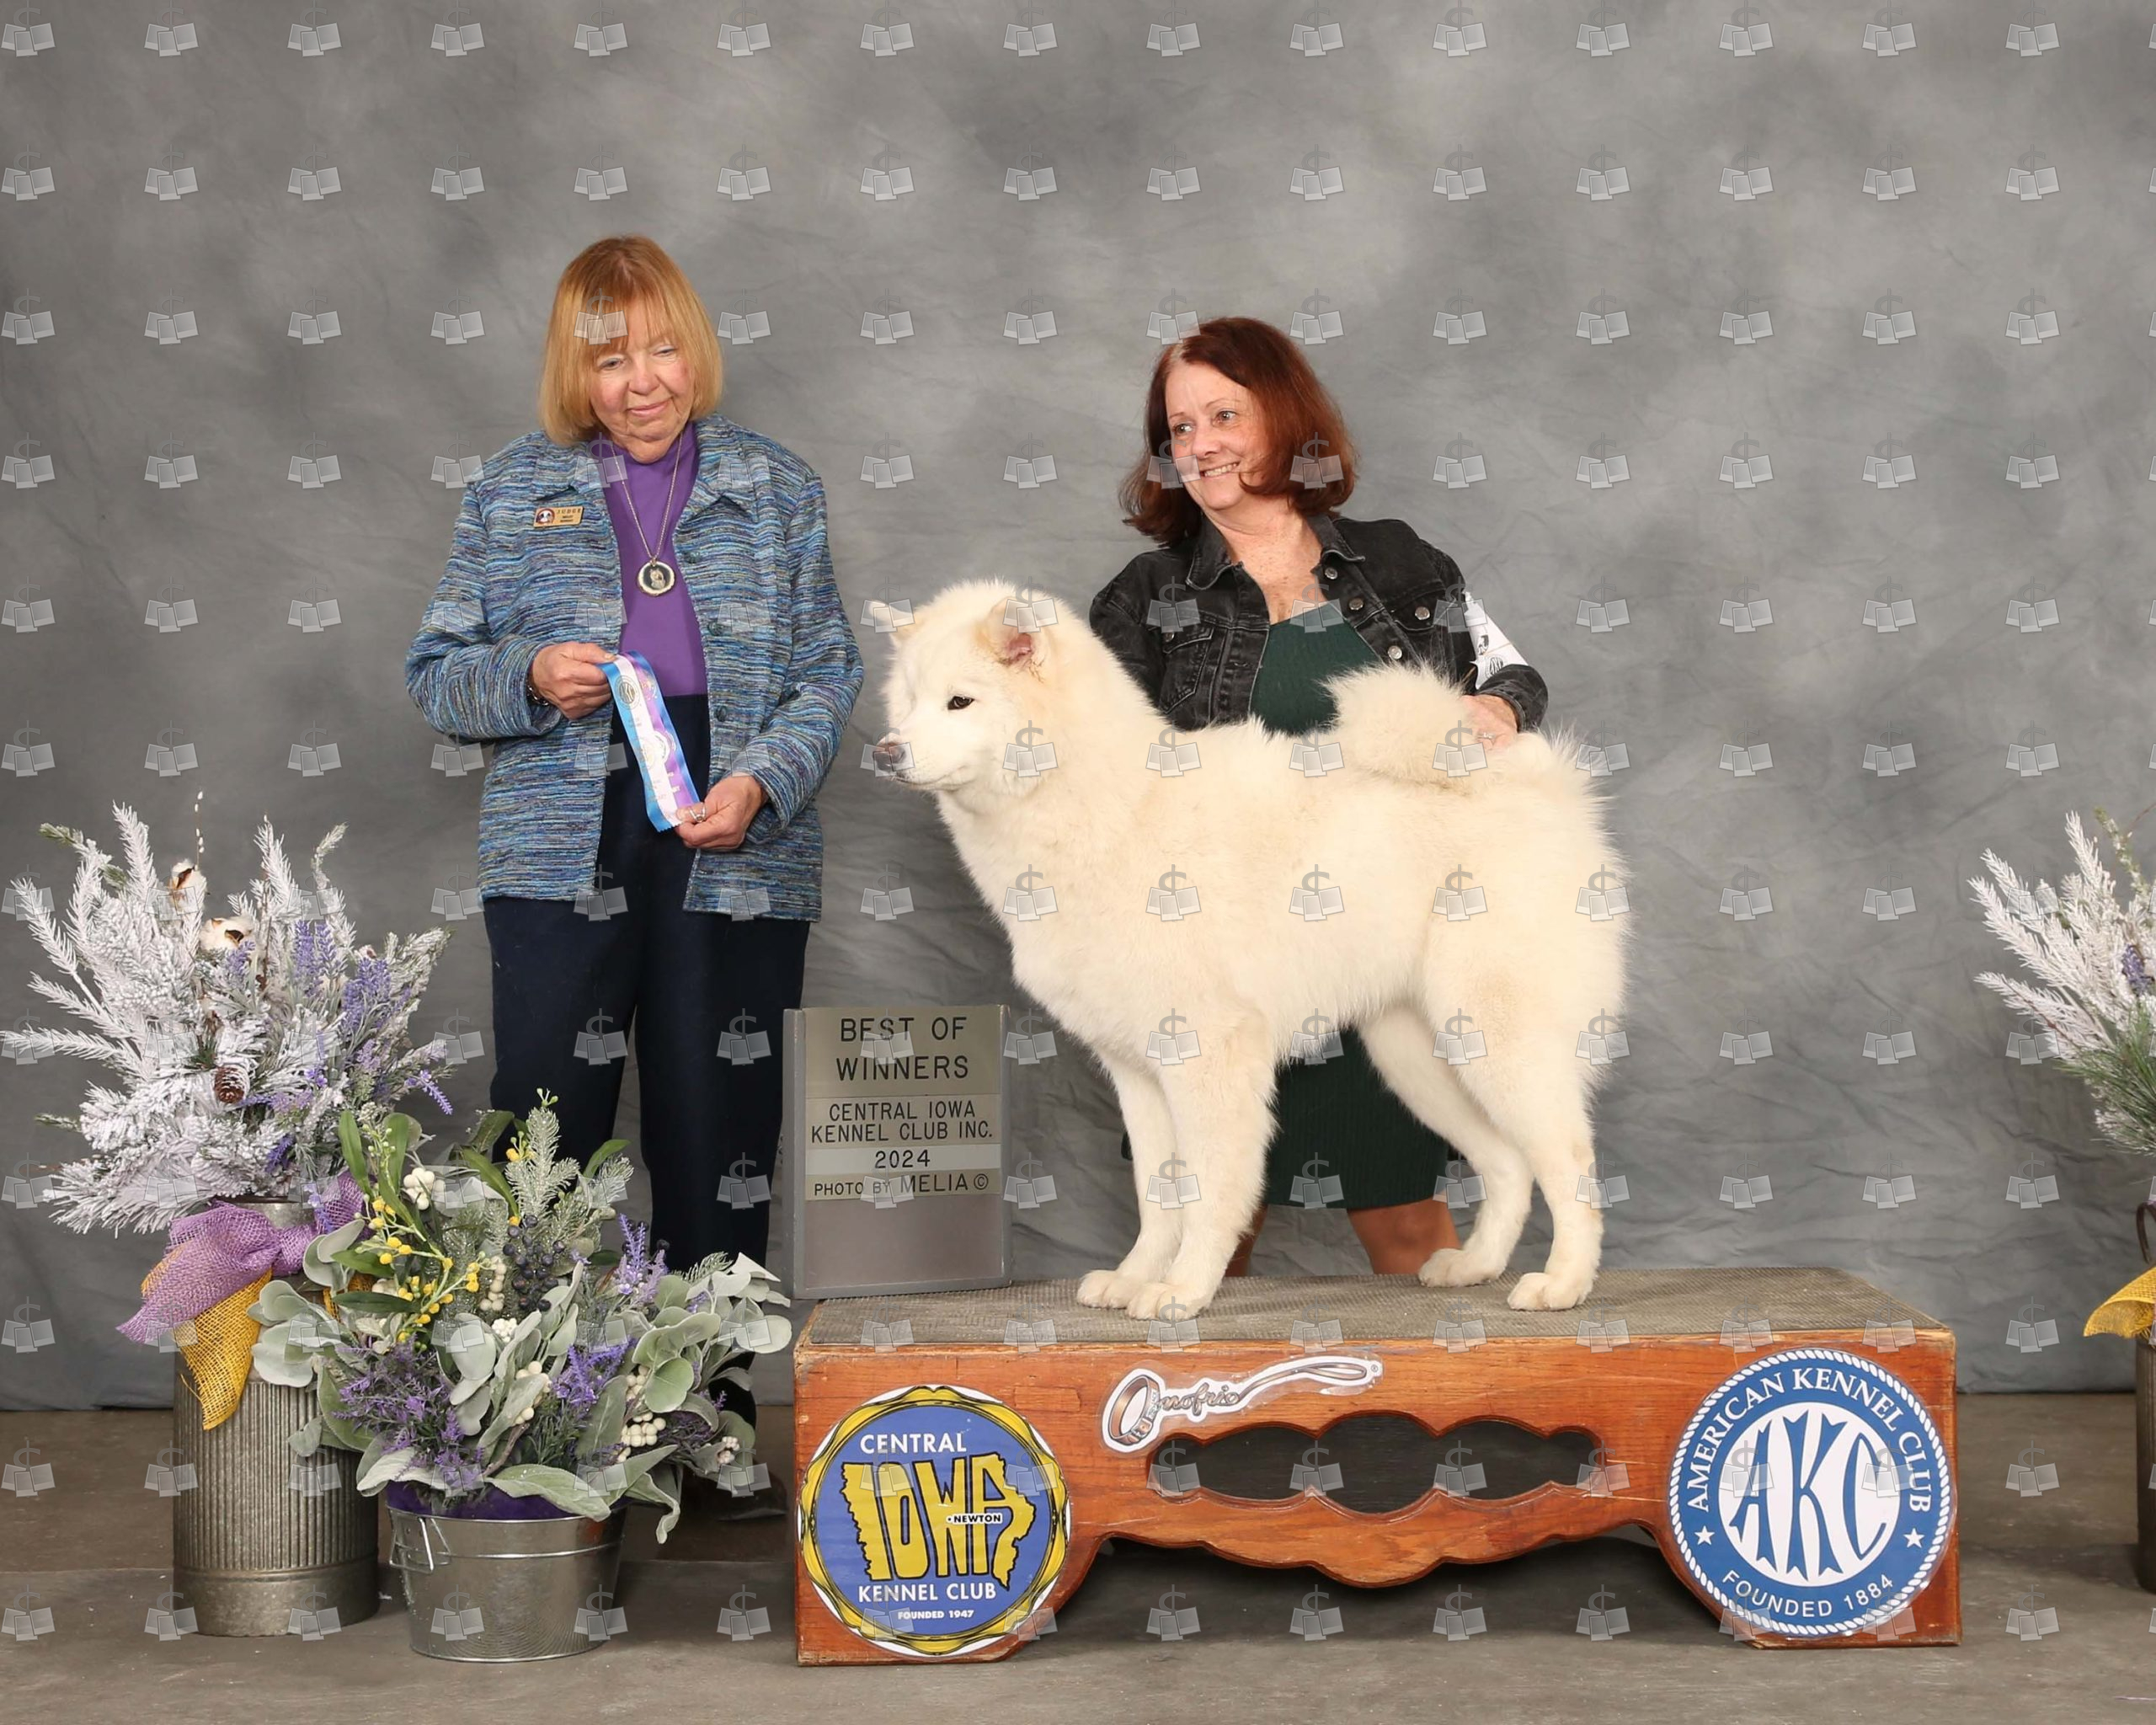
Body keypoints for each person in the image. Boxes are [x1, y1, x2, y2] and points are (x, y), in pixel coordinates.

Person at [406, 234, 863, 1293]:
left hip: (735, 837)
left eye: (662, 350)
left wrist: (761, 781)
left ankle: (712, 1394)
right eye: (609, 359)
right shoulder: (509, 489)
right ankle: (528, 1386)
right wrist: (527, 674)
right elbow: (435, 674)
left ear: (696, 351)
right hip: (560, 843)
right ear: (575, 371)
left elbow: (826, 672)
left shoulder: (777, 486)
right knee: (544, 1134)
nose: (641, 382)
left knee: (721, 1128)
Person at [1088, 316, 1549, 1278]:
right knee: (1214, 1242)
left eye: (1225, 415)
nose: (1201, 444)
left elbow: (1512, 675)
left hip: (1380, 944)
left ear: (1285, 416)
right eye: (1180, 428)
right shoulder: (1142, 596)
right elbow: (1105, 781)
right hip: (1224, 959)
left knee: (1408, 1226)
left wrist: (1497, 711)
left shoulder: (1400, 560)